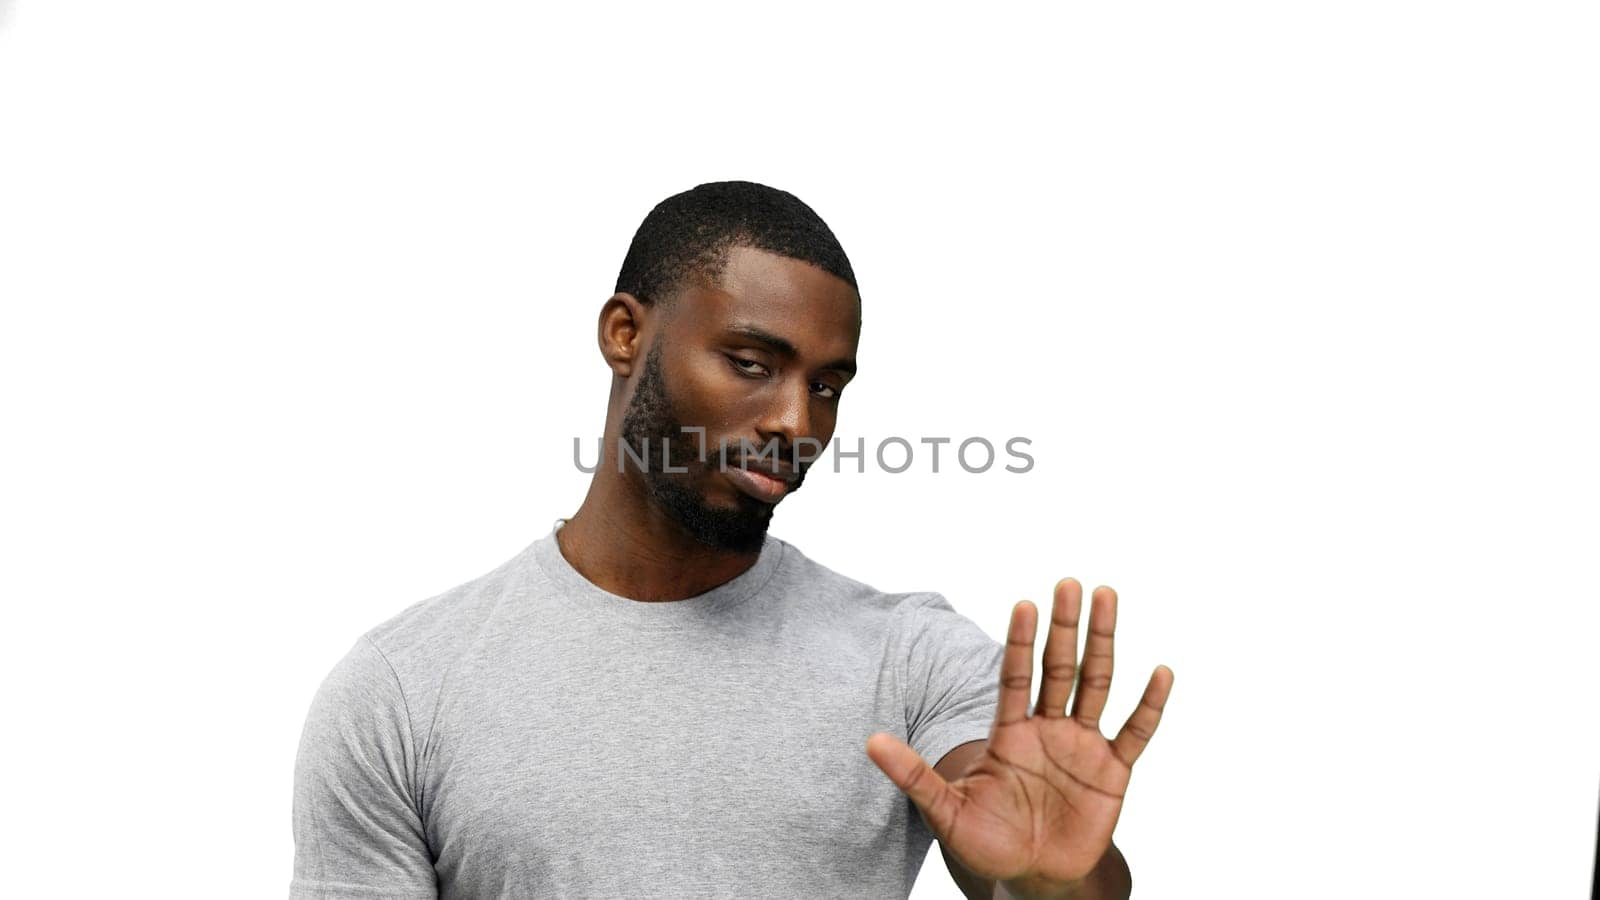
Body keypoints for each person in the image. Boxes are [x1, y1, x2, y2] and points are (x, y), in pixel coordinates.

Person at [289, 181, 1174, 900]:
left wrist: (1050, 884)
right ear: (625, 334)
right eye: (752, 364)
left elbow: (1039, 873)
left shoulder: (910, 659)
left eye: (827, 385)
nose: (798, 422)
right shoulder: (404, 692)